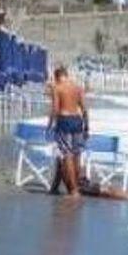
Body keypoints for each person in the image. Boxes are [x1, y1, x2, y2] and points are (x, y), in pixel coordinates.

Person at [47, 63, 89, 196]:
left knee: (67, 154)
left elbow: (55, 109)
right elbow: (84, 109)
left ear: (57, 77)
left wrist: (50, 125)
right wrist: (87, 127)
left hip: (64, 120)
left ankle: (74, 190)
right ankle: (76, 185)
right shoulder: (78, 87)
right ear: (66, 75)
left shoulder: (57, 88)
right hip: (77, 120)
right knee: (77, 153)